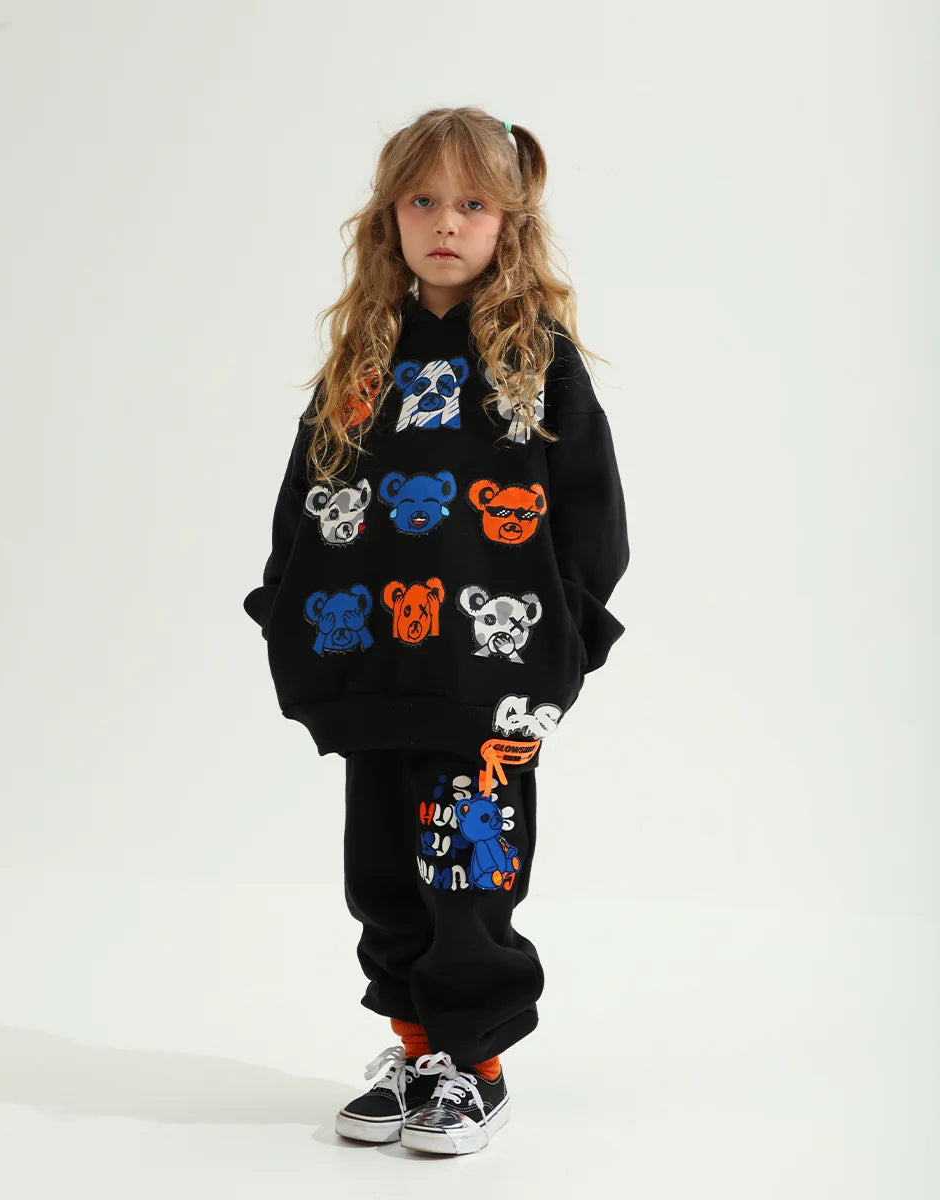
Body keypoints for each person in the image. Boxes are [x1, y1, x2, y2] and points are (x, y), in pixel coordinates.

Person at [243, 107, 630, 1156]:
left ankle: (474, 1063)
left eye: (472, 203)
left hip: (489, 681)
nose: (446, 223)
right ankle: (417, 1050)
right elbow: (303, 507)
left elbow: (592, 517)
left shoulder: (536, 362)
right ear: (390, 218)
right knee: (380, 871)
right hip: (370, 670)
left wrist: (568, 639)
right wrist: (283, 614)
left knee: (468, 868)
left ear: (510, 222)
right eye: (423, 200)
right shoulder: (360, 362)